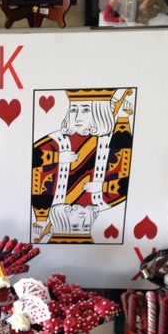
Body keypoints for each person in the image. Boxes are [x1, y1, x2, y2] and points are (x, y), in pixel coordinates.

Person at [31, 89, 133, 244]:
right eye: (73, 110)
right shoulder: (58, 140)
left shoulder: (111, 141)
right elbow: (35, 162)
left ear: (100, 111)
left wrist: (102, 187)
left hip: (88, 212)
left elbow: (124, 176)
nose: (77, 117)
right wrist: (57, 158)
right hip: (58, 218)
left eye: (85, 110)